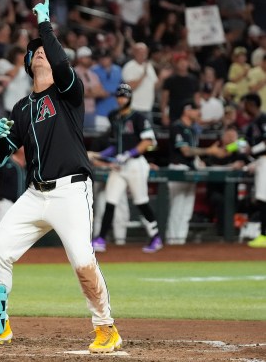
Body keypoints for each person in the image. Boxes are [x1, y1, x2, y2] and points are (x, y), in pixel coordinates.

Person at [0, 0, 122, 353]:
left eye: (46, 49)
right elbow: (1, 159)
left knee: (82, 260)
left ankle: (106, 327)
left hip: (70, 190)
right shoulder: (20, 107)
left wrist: (45, 25)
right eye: (36, 51)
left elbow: (62, 62)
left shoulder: (68, 92)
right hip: (35, 194)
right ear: (29, 62)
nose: (43, 52)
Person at [90, 84, 162, 253]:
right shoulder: (114, 117)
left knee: (141, 201)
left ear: (130, 98)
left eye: (125, 96)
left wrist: (128, 154)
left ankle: (156, 236)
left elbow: (148, 141)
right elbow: (115, 145)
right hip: (119, 165)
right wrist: (100, 154)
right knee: (110, 201)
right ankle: (101, 239)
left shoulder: (138, 118)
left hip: (136, 164)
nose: (122, 99)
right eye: (120, 96)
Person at [166, 100, 226, 245]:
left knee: (186, 209)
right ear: (187, 111)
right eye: (195, 109)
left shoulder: (193, 129)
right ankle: (172, 241)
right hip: (178, 169)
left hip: (190, 169)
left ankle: (180, 240)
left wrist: (199, 161)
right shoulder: (177, 127)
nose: (198, 112)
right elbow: (185, 151)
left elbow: (192, 154)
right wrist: (209, 151)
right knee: (177, 208)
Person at [243, 93, 266, 247]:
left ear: (252, 104)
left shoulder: (263, 119)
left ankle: (264, 236)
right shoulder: (253, 123)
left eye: (246, 104)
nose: (244, 107)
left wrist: (253, 149)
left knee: (263, 198)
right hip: (260, 161)